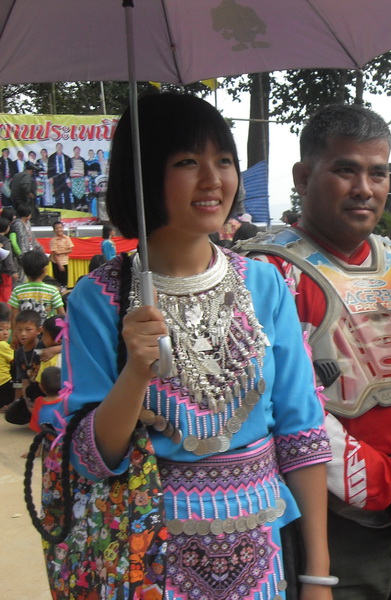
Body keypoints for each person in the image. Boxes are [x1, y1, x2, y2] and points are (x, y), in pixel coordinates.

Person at [60, 92, 333, 600]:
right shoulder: (97, 299)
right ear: (143, 174)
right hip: (147, 561)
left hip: (263, 556)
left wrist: (318, 575)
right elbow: (91, 459)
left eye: (224, 161)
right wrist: (135, 373)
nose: (214, 180)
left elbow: (302, 432)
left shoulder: (265, 284)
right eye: (187, 162)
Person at [244, 104, 391, 600]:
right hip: (323, 530)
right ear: (303, 177)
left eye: (377, 173)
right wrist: (387, 483)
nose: (364, 188)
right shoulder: (266, 276)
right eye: (346, 170)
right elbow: (285, 407)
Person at [4, 308, 44, 425]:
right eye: (19, 330)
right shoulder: (19, 352)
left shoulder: (44, 346)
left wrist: (54, 349)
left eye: (28, 330)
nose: (23, 334)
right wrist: (27, 401)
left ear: (38, 330)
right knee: (12, 415)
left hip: (46, 390)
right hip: (32, 391)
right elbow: (24, 380)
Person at [9, 250, 65, 323]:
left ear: (25, 271)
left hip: (25, 329)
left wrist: (14, 330)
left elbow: (14, 315)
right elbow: (62, 314)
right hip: (46, 329)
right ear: (44, 270)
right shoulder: (53, 290)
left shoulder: (17, 290)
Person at [28, 365, 62, 434]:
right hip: (65, 439)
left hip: (46, 438)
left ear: (41, 387)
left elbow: (36, 428)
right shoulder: (68, 401)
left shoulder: (39, 402)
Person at [48, 221, 73, 288]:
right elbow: (55, 254)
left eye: (60, 227)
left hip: (65, 262)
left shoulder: (67, 238)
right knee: (58, 282)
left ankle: (64, 290)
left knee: (65, 281)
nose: (59, 229)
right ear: (54, 230)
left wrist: (60, 252)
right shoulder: (53, 240)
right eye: (57, 228)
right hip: (56, 263)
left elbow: (70, 250)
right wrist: (60, 265)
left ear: (63, 228)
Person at [47, 142, 71, 209]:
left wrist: (69, 178)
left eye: (60, 147)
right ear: (56, 148)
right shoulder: (51, 157)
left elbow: (69, 169)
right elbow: (49, 168)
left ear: (62, 148)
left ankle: (69, 209)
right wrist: (50, 177)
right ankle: (59, 209)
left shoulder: (67, 157)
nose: (59, 148)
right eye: (58, 147)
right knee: (57, 195)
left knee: (67, 194)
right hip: (56, 177)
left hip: (64, 177)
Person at [0, 216, 17, 303]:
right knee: (5, 297)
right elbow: (8, 259)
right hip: (4, 274)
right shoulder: (5, 242)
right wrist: (13, 272)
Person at [0, 303, 13, 412]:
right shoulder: (3, 345)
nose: (5, 333)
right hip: (4, 384)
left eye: (7, 329)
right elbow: (15, 360)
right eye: (1, 330)